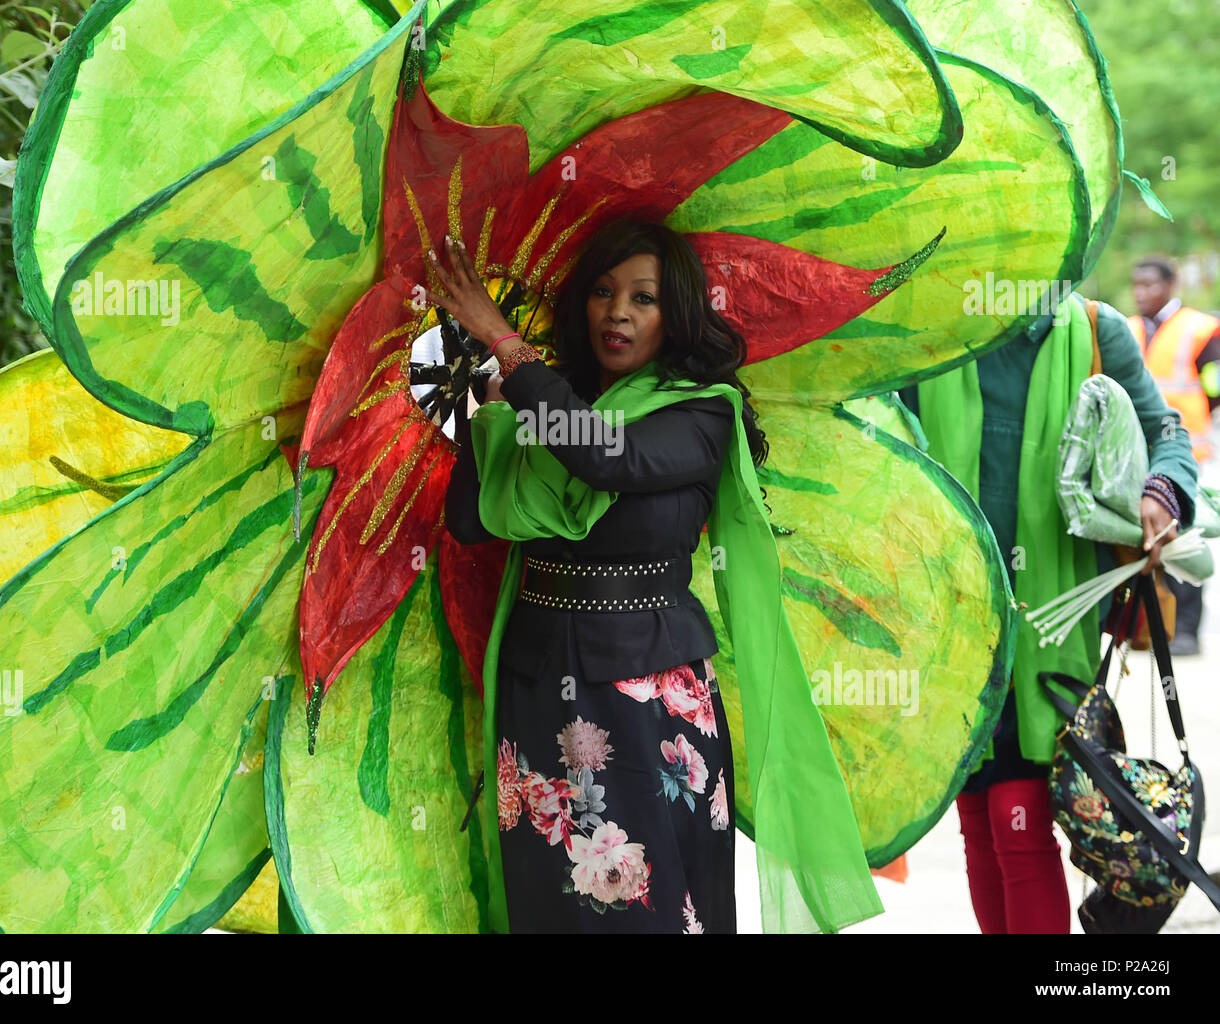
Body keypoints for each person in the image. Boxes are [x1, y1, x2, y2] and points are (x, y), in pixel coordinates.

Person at [435, 215, 879, 933]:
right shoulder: (550, 409)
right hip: (540, 684)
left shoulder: (700, 413)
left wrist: (507, 346)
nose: (618, 311)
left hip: (646, 699)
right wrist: (484, 417)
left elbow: (608, 458)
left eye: (643, 298)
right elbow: (469, 521)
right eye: (604, 292)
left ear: (675, 316)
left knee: (654, 909)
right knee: (554, 908)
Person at [901, 290, 1197, 934]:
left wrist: (1162, 489)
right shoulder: (932, 330)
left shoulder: (1093, 330)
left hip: (1049, 623)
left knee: (1020, 819)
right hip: (950, 618)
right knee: (978, 818)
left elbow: (1166, 431)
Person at [1127, 255, 1220, 655]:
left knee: (1182, 537)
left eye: (1149, 285)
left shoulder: (1200, 329)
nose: (1140, 293)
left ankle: (1184, 630)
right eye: (1136, 285)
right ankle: (1147, 626)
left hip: (1189, 453)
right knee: (1143, 538)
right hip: (1138, 452)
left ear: (1169, 285)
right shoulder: (1127, 328)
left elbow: (1215, 385)